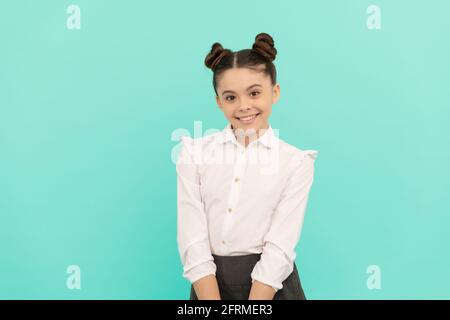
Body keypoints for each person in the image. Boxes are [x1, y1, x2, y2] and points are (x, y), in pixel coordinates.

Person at [176, 32, 318, 300]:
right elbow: (191, 238)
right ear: (218, 101)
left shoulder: (296, 162)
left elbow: (280, 246)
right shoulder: (194, 154)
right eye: (230, 97)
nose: (244, 106)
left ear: (274, 92)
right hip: (209, 288)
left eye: (254, 93)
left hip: (270, 288)